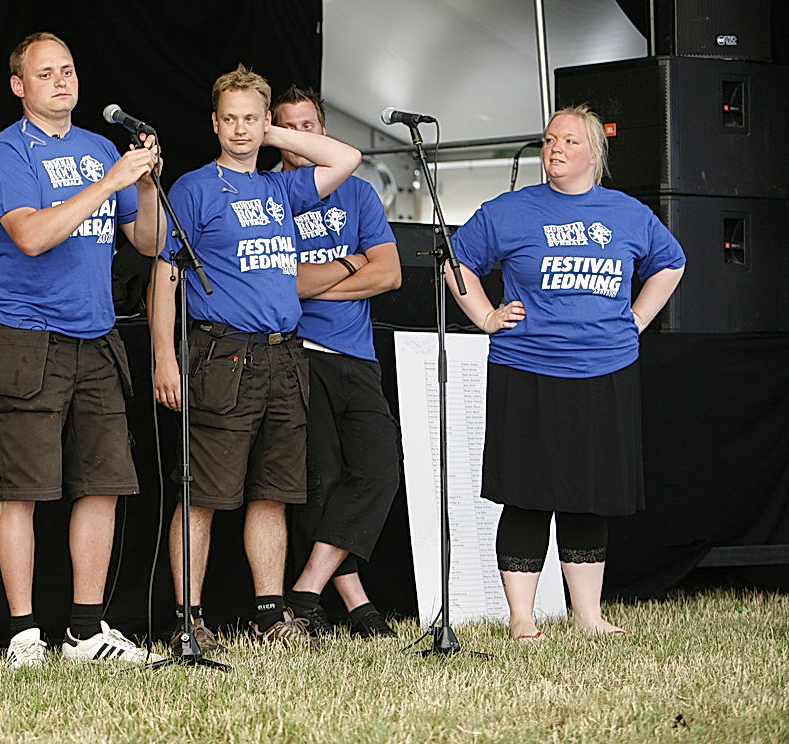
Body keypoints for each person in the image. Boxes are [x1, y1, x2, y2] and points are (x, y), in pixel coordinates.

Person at [446, 104, 685, 641]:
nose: (555, 148)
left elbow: (671, 262)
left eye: (569, 141)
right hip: (527, 368)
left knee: (589, 496)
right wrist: (486, 315)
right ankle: (522, 619)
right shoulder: (511, 210)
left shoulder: (627, 213)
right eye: (550, 139)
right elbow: (455, 260)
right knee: (526, 495)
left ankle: (588, 618)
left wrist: (639, 318)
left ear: (595, 153)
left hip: (606, 370)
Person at [149, 66, 361, 648]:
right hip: (223, 355)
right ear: (213, 123)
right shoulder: (194, 188)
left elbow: (345, 159)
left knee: (274, 490)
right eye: (230, 119)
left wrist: (275, 135)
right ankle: (188, 620)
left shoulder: (278, 187)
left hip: (284, 357)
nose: (240, 129)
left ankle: (269, 615)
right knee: (206, 491)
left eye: (251, 118)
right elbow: (164, 275)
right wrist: (165, 358)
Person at [0, 32, 162, 668]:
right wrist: (110, 181)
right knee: (21, 488)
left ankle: (86, 631)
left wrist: (140, 184)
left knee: (103, 483)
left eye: (69, 70)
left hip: (97, 335)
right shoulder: (6, 152)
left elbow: (149, 241)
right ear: (18, 86)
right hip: (28, 337)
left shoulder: (99, 146)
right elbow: (31, 235)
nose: (62, 81)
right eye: (46, 73)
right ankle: (25, 634)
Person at [271, 86, 404, 639]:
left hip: (357, 358)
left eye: (310, 126)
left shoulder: (359, 193)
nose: (303, 138)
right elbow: (278, 285)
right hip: (297, 355)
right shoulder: (270, 193)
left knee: (377, 471)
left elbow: (390, 274)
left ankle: (305, 591)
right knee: (319, 483)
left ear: (325, 132)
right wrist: (350, 265)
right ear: (275, 136)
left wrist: (313, 283)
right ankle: (355, 603)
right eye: (290, 128)